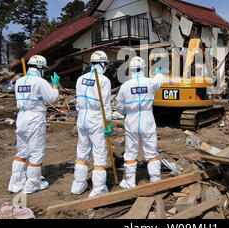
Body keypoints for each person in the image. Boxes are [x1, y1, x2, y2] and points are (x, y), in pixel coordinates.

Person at [8, 55, 60, 194]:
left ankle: (15, 184)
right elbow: (53, 98)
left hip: (22, 116)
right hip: (34, 118)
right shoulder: (40, 82)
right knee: (36, 152)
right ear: (40, 68)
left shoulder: (19, 81)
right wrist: (55, 85)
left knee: (22, 151)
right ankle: (32, 184)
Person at [116, 56, 165, 189]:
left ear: (130, 70)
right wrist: (159, 72)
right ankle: (155, 180)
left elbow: (120, 106)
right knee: (151, 150)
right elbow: (160, 80)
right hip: (147, 117)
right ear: (143, 68)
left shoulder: (125, 86)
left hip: (131, 119)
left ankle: (130, 182)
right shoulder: (150, 83)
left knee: (131, 151)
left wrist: (126, 112)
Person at [71, 51, 112, 197]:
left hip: (82, 117)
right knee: (100, 152)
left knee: (82, 151)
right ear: (102, 64)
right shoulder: (103, 81)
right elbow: (105, 105)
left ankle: (78, 185)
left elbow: (77, 102)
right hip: (96, 118)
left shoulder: (80, 79)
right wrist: (108, 122)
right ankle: (99, 188)